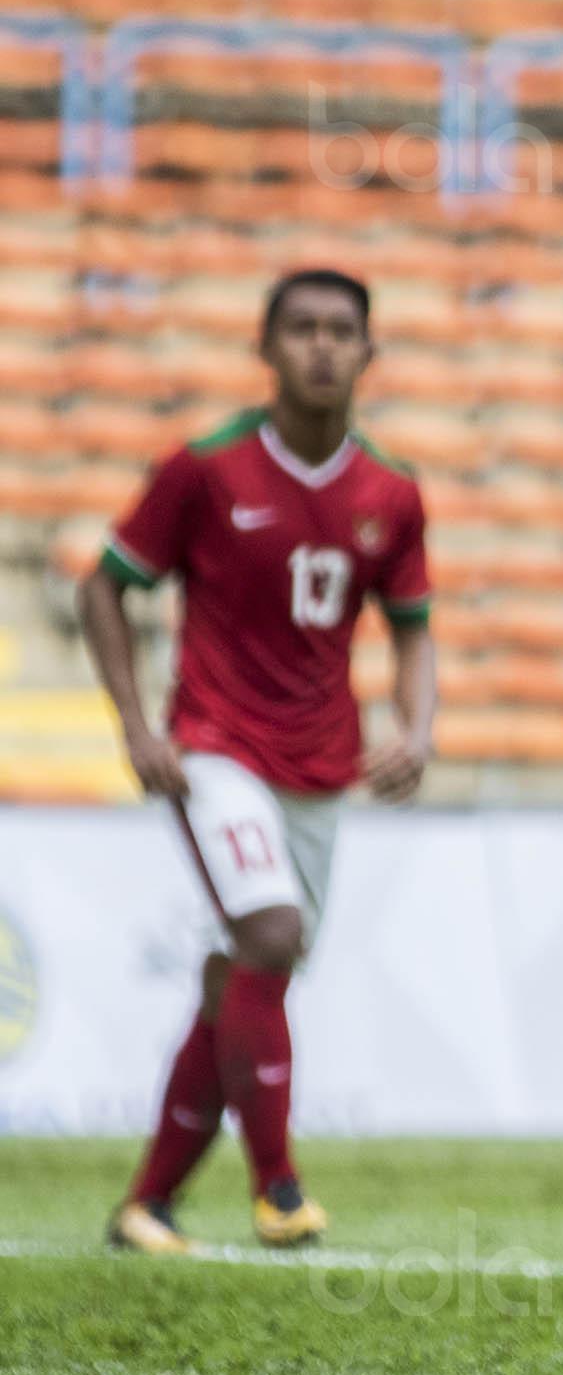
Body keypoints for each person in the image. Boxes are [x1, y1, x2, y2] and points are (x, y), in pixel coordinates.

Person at [92, 268, 436, 1256]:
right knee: (272, 932)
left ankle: (146, 1204)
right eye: (302, 329)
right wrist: (137, 726)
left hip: (320, 766)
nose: (322, 347)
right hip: (214, 748)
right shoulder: (205, 469)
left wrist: (413, 725)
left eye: (341, 331)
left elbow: (415, 628)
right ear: (266, 346)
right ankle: (278, 1186)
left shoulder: (392, 491)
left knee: (243, 975)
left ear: (369, 354)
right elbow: (105, 589)